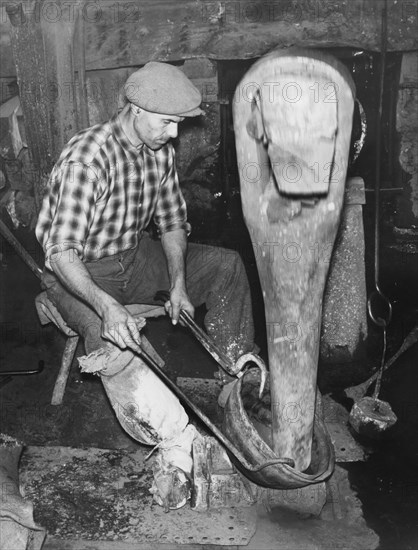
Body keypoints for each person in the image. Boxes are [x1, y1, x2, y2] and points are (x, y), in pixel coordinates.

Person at [35, 62, 255, 510]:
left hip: (134, 257)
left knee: (226, 266)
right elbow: (60, 252)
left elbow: (173, 220)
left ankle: (234, 389)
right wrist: (107, 307)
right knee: (116, 343)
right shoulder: (87, 158)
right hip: (80, 272)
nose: (173, 134)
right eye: (167, 122)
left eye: (178, 123)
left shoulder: (158, 151)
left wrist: (178, 283)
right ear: (134, 109)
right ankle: (177, 445)